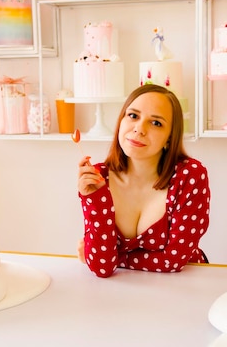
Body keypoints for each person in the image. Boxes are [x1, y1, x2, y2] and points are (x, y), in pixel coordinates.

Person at [76, 84, 210, 278]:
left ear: (169, 138)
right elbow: (102, 267)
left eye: (156, 123)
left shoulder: (190, 176)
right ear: (121, 121)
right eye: (133, 116)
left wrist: (118, 258)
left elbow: (174, 260)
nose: (139, 129)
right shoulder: (98, 178)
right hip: (124, 292)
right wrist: (95, 199)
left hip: (186, 284)